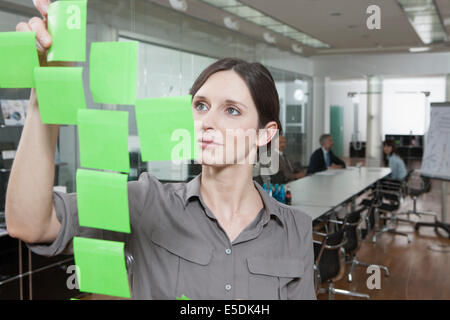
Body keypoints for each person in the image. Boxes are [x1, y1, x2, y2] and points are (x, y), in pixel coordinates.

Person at [5, 0, 316, 300]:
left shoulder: (295, 228)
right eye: (200, 106)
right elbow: (31, 224)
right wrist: (45, 91)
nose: (206, 121)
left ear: (265, 134)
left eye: (231, 110)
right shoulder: (146, 202)